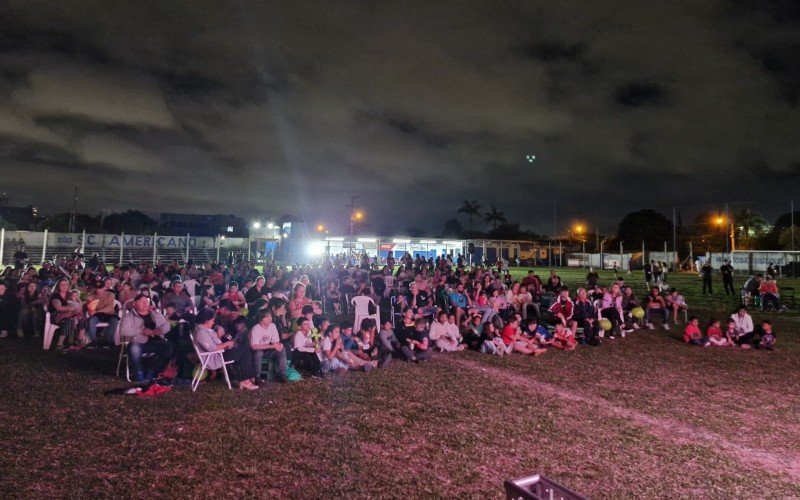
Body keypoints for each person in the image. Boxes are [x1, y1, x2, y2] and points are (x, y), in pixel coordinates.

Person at [193, 308, 258, 390]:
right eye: (212, 321)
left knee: (241, 349)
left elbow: (214, 343)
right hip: (215, 358)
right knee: (244, 351)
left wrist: (226, 343)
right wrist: (227, 343)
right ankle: (245, 380)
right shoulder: (201, 333)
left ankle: (244, 379)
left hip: (217, 354)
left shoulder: (201, 329)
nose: (213, 323)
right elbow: (213, 348)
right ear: (206, 321)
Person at [120, 293, 175, 383]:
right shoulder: (129, 316)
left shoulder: (155, 314)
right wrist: (141, 331)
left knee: (170, 347)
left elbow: (167, 325)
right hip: (138, 342)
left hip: (156, 342)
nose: (145, 303)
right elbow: (124, 331)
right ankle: (139, 373)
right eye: (142, 301)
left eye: (147, 301)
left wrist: (160, 330)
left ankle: (152, 371)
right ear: (135, 304)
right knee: (134, 348)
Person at [249, 310, 287, 383]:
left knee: (282, 349)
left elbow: (275, 341)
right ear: (261, 320)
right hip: (257, 351)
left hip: (268, 350)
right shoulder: (256, 328)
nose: (270, 318)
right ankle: (257, 377)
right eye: (267, 317)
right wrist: (271, 346)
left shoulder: (272, 326)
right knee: (258, 353)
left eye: (270, 316)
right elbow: (254, 347)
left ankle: (282, 374)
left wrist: (279, 345)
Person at [87, 277, 119, 346]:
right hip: (98, 315)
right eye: (97, 288)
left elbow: (109, 308)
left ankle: (108, 341)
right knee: (91, 320)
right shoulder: (92, 296)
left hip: (109, 314)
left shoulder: (110, 295)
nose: (99, 290)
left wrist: (97, 311)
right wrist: (88, 302)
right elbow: (90, 310)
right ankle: (94, 341)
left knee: (115, 320)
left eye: (100, 288)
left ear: (104, 287)